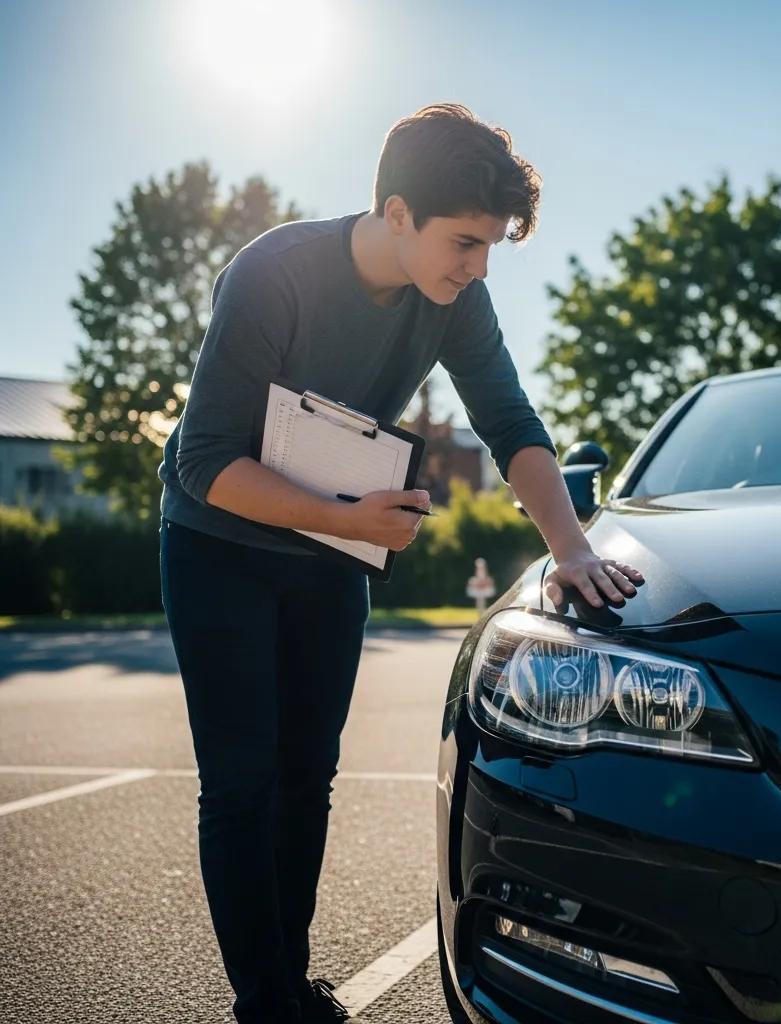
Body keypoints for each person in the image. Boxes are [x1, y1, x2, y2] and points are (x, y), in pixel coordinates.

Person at [157, 103, 644, 1024]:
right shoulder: (272, 274)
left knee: (309, 773)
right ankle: (263, 1002)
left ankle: (290, 983)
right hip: (219, 541)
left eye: (492, 247)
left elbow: (509, 423)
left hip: (334, 550)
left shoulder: (454, 297)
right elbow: (204, 461)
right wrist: (348, 515)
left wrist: (572, 551)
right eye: (465, 242)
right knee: (242, 780)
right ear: (395, 214)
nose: (479, 266)